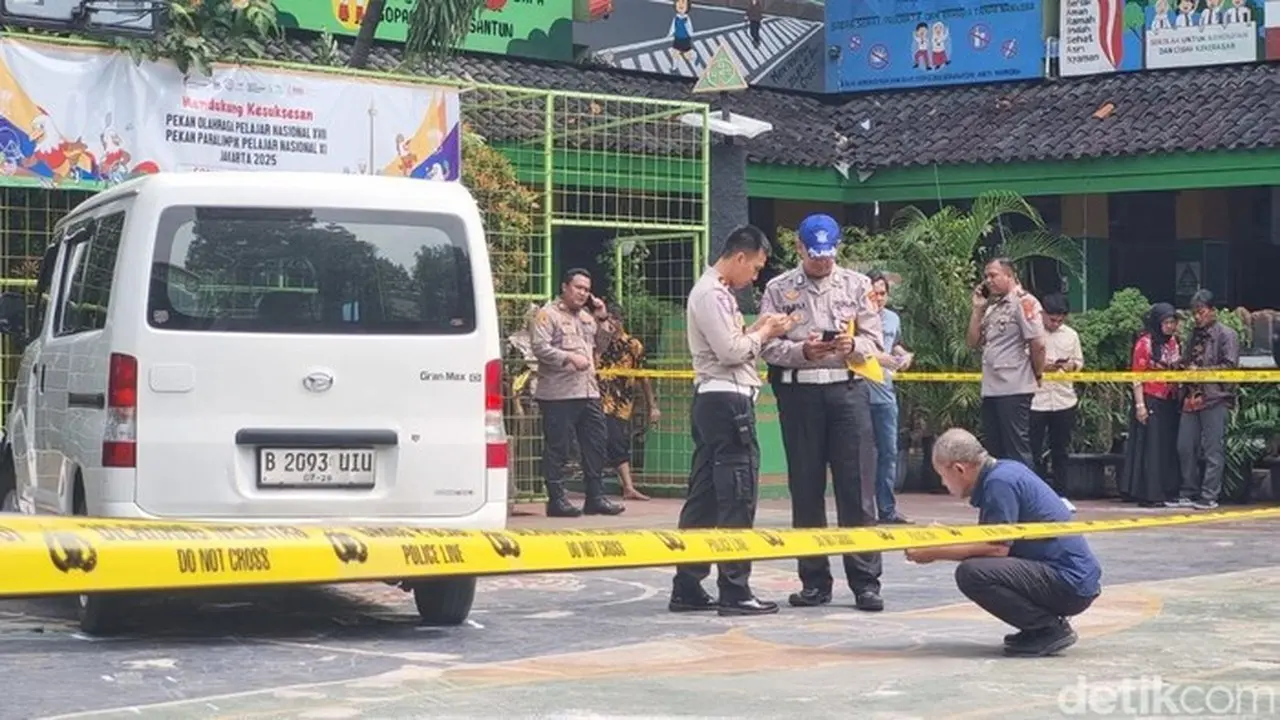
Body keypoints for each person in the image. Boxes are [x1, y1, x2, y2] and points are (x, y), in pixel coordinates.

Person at [759, 213, 887, 613]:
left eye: (828, 255)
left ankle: (865, 582)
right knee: (806, 489)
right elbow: (766, 345)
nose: (822, 263)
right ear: (799, 248)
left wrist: (852, 346)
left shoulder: (857, 285)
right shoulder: (779, 289)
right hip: (800, 396)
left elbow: (874, 338)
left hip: (847, 391)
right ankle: (814, 581)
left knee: (857, 488)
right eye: (815, 256)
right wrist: (801, 352)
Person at [669, 225, 792, 617]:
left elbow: (731, 342)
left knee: (704, 497)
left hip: (715, 399)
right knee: (737, 494)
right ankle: (735, 589)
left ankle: (688, 584)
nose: (754, 277)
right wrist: (764, 333)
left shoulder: (714, 292)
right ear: (740, 257)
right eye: (755, 268)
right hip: (727, 399)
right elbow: (729, 351)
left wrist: (757, 329)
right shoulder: (711, 294)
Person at [908, 428, 1102, 657]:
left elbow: (996, 547)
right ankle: (1038, 628)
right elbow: (990, 538)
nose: (943, 482)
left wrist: (934, 552)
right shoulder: (1006, 472)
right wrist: (949, 535)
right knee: (978, 566)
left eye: (942, 475)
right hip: (1071, 578)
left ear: (959, 469)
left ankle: (1047, 629)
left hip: (1069, 583)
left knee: (972, 573)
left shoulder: (999, 483)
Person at [529, 269, 626, 518]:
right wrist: (567, 357)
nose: (582, 293)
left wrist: (603, 318)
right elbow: (540, 348)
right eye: (578, 287)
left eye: (586, 289)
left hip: (588, 390)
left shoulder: (586, 318)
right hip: (559, 393)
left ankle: (595, 497)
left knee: (595, 443)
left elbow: (601, 347)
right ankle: (556, 499)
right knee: (559, 447)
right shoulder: (547, 315)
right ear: (565, 287)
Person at [967, 258, 1046, 468]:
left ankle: (1023, 496)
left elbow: (1038, 344)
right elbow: (973, 342)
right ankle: (1001, 496)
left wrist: (1037, 373)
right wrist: (977, 310)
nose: (988, 281)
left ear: (1009, 275)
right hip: (992, 387)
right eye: (986, 276)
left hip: (1014, 386)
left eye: (993, 275)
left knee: (1016, 449)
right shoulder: (993, 308)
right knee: (995, 451)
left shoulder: (1024, 302)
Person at [1169, 289, 1239, 510]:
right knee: (1184, 446)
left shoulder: (1227, 334)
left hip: (1215, 397)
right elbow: (1187, 359)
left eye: (1201, 312)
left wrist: (1200, 370)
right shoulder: (1194, 334)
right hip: (1191, 396)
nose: (1197, 317)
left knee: (1212, 449)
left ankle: (1209, 495)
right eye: (1194, 313)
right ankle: (1188, 491)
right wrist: (1177, 365)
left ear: (1213, 311)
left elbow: (1229, 367)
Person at [1118, 303, 1182, 507]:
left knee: (1167, 446)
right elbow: (1137, 376)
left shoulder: (1173, 342)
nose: (1171, 327)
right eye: (1167, 322)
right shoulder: (1144, 343)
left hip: (1170, 400)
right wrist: (1140, 405)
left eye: (1173, 322)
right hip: (1150, 398)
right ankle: (1150, 494)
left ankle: (1168, 489)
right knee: (1152, 447)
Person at [597, 308, 660, 501]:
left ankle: (627, 486)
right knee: (600, 440)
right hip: (597, 400)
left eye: (610, 320)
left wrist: (652, 406)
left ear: (619, 320)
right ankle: (620, 486)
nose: (607, 324)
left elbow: (643, 377)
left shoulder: (633, 345)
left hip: (621, 403)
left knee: (617, 440)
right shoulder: (598, 344)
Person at [866, 270, 913, 524]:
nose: (879, 298)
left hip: (884, 394)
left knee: (888, 453)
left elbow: (895, 345)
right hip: (859, 394)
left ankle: (886, 509)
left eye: (883, 293)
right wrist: (874, 357)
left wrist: (904, 356)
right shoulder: (855, 318)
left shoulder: (892, 319)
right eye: (874, 293)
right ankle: (862, 510)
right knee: (861, 455)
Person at [1028, 294, 1083, 491]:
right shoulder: (1032, 334)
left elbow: (1079, 362)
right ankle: (1036, 490)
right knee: (1033, 449)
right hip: (1036, 400)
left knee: (1060, 450)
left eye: (1060, 320)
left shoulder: (1071, 335)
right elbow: (1024, 363)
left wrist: (1071, 366)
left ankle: (1061, 493)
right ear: (1042, 314)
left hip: (1063, 400)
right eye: (1052, 320)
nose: (1056, 324)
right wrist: (1042, 367)